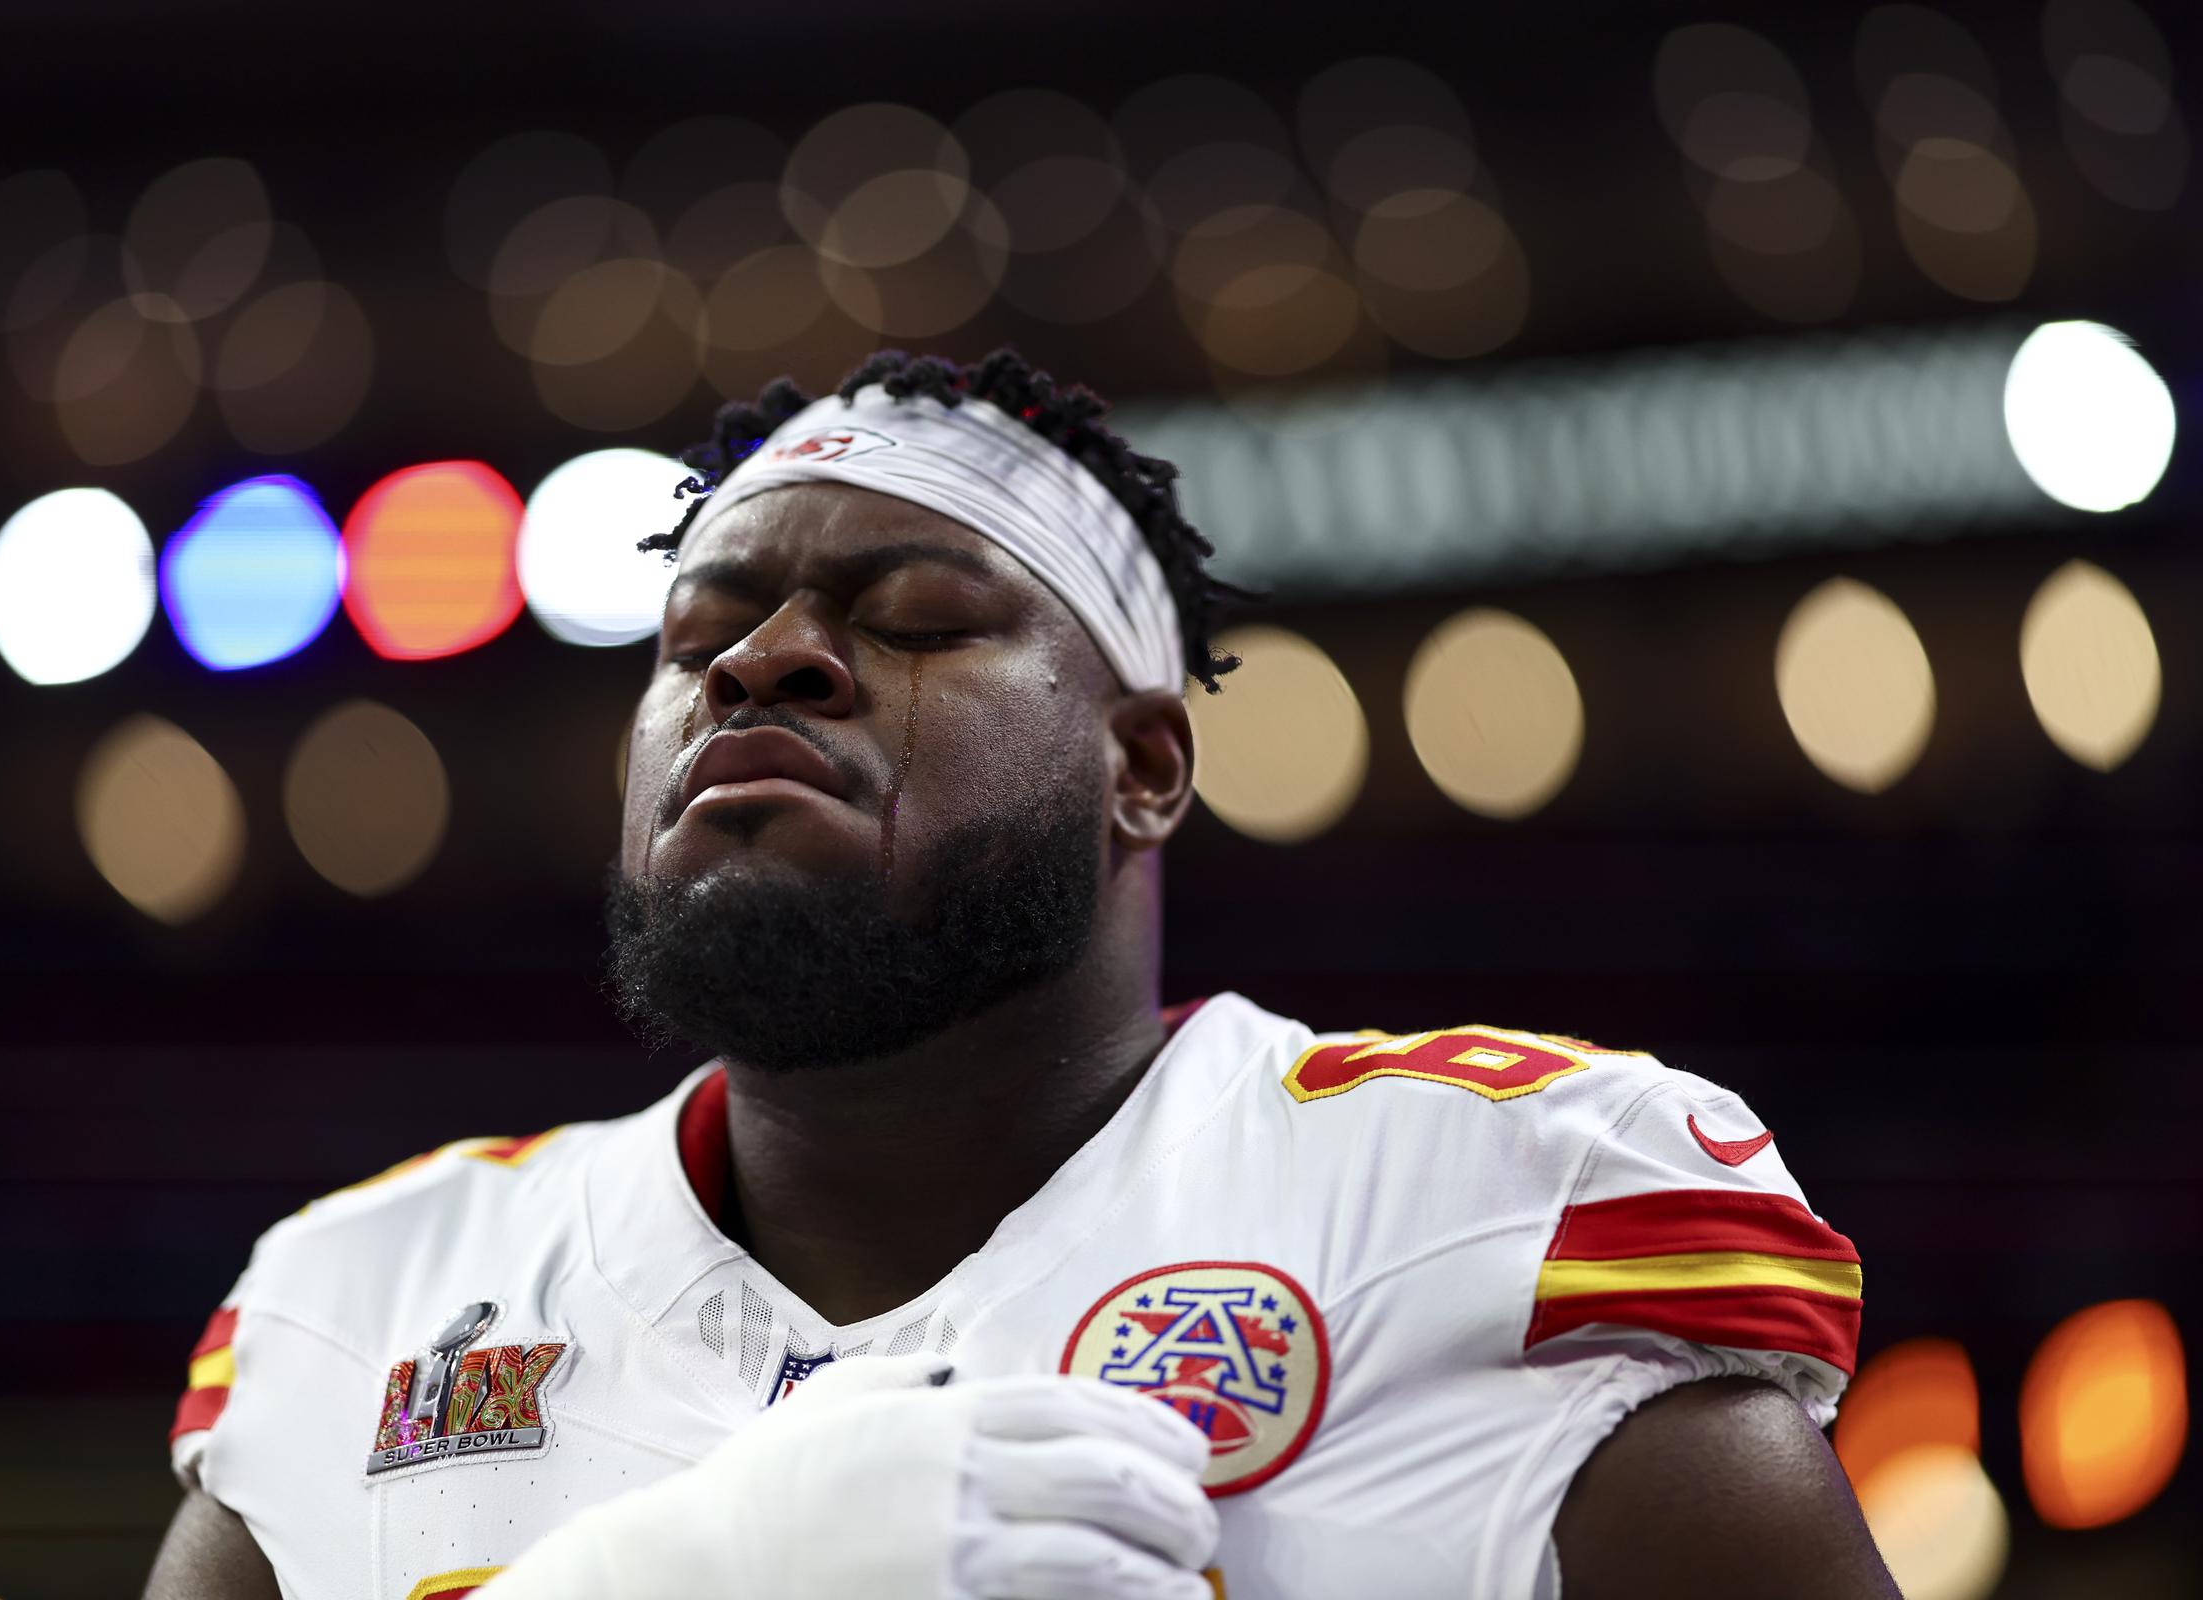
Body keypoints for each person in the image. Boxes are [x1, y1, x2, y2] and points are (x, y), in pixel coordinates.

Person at [144, 350, 1898, 1600]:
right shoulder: (354, 1306)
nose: (765, 662)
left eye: (908, 614)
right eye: (697, 639)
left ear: (1143, 765)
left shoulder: (1496, 1212)